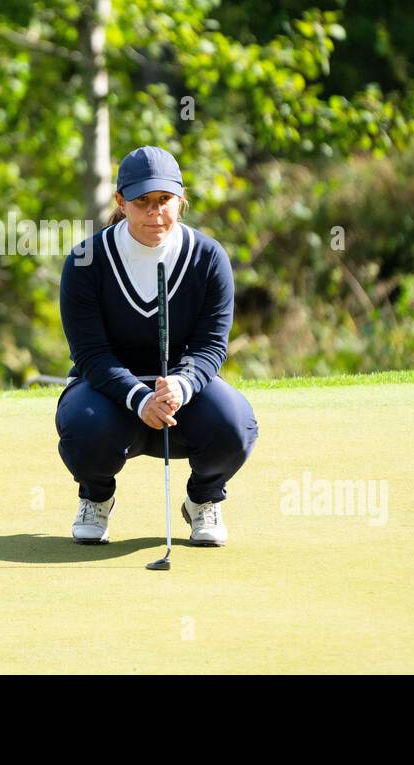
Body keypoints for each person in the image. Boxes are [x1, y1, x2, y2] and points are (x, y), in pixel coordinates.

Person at [56, 146, 257, 546]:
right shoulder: (86, 260)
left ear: (180, 199)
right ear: (120, 202)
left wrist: (181, 385)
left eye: (164, 200)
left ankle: (203, 499)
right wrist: (138, 397)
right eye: (142, 201)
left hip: (183, 398)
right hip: (108, 394)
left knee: (236, 425)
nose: (155, 212)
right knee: (83, 429)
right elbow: (90, 354)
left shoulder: (208, 257)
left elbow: (212, 346)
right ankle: (96, 497)